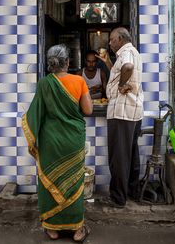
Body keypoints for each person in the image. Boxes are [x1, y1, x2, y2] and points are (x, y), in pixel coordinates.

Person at [21, 44, 93, 242]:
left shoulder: (44, 83)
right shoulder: (79, 81)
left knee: (50, 181)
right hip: (72, 140)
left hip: (50, 141)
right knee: (74, 183)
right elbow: (87, 110)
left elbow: (35, 113)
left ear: (51, 64)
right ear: (67, 63)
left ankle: (52, 228)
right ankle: (78, 229)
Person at [97, 27, 144, 208]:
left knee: (119, 157)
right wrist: (108, 62)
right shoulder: (132, 52)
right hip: (132, 112)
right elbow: (118, 75)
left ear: (121, 39)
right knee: (131, 155)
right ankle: (132, 191)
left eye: (112, 39)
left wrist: (122, 85)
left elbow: (128, 68)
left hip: (122, 112)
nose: (109, 43)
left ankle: (117, 198)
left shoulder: (126, 52)